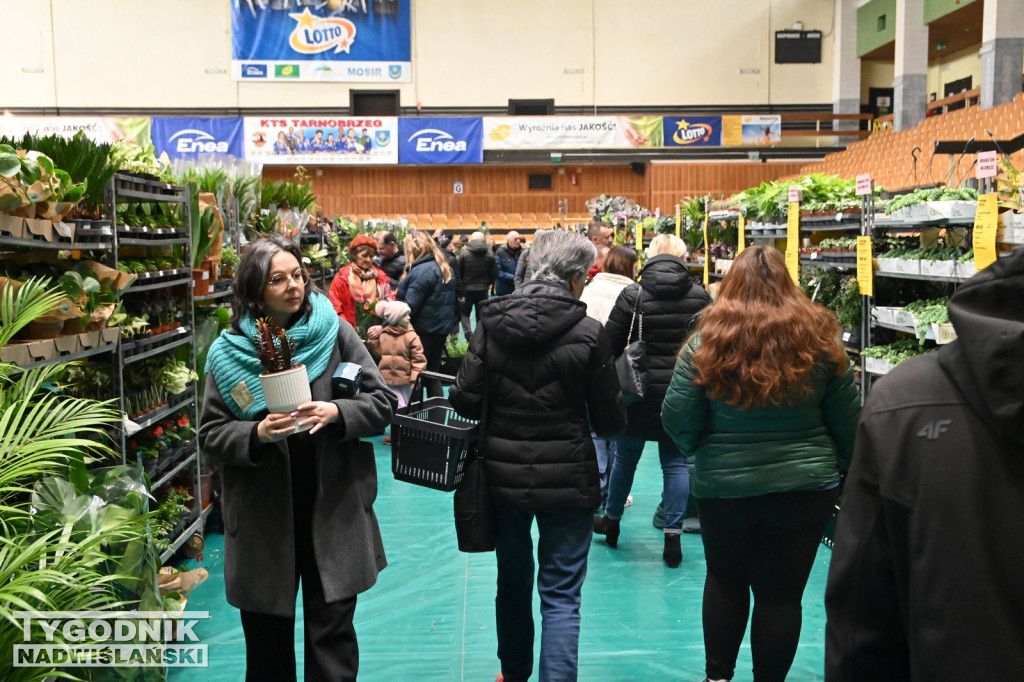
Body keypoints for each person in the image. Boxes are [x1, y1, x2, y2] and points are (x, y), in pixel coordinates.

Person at [661, 245, 861, 682]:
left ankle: (717, 676)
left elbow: (677, 418)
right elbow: (850, 421)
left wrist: (702, 451)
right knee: (782, 596)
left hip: (726, 490)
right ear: (789, 284)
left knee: (725, 580)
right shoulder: (819, 341)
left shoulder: (706, 342)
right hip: (805, 489)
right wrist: (839, 469)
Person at [199, 236, 394, 682]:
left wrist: (338, 412)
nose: (294, 286)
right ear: (253, 291)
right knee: (267, 652)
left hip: (334, 511)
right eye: (278, 279)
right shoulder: (229, 354)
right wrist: (256, 433)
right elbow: (211, 433)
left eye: (298, 275)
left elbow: (382, 402)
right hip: (263, 521)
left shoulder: (335, 331)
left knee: (333, 647)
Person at [824, 247, 1024, 681]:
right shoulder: (815, 343)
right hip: (803, 478)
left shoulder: (903, 402)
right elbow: (839, 412)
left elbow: (864, 619)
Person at [449, 229, 627, 682]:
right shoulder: (589, 333)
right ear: (571, 279)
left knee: (512, 581)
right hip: (570, 478)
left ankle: (514, 671)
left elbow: (465, 399)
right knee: (562, 594)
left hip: (502, 478)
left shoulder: (490, 324)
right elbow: (609, 422)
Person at [593, 234, 711, 568]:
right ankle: (672, 535)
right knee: (674, 462)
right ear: (682, 258)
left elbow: (610, 344)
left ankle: (612, 522)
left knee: (626, 458)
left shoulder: (633, 294)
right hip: (681, 391)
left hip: (637, 392)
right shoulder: (700, 296)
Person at [579, 244, 638, 510]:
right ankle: (615, 491)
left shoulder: (588, 288)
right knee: (617, 429)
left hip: (587, 366)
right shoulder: (633, 294)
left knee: (593, 431)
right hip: (620, 369)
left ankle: (596, 486)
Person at [397, 231, 457, 398]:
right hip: (440, 330)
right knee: (432, 373)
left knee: (415, 375)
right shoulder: (445, 268)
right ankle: (435, 417)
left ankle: (413, 421)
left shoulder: (422, 270)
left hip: (421, 332)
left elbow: (410, 306)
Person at [366, 299, 426, 443]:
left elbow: (419, 361)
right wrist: (372, 341)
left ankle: (405, 435)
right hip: (389, 380)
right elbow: (381, 353)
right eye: (406, 315)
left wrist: (415, 379)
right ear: (396, 318)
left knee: (405, 409)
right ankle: (398, 436)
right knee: (396, 408)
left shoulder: (412, 337)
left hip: (406, 381)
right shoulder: (385, 335)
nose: (409, 318)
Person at [327, 234, 393, 332]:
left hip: (376, 332)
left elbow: (390, 302)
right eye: (364, 256)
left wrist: (382, 327)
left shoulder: (380, 276)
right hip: (349, 332)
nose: (368, 260)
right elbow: (334, 307)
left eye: (371, 256)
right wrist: (348, 330)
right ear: (354, 255)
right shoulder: (342, 277)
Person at [456, 231, 497, 338]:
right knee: (481, 314)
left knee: (464, 313)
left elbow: (459, 273)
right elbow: (494, 274)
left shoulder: (464, 254)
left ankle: (469, 335)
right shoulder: (490, 255)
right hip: (483, 289)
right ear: (483, 240)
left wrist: (461, 289)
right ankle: (479, 337)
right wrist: (488, 284)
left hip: (467, 289)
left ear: (471, 240)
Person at [493, 231, 523, 296]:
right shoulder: (500, 253)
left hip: (520, 290)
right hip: (505, 291)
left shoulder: (523, 252)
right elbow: (498, 272)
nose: (518, 241)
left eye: (519, 239)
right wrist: (515, 278)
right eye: (515, 239)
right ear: (508, 240)